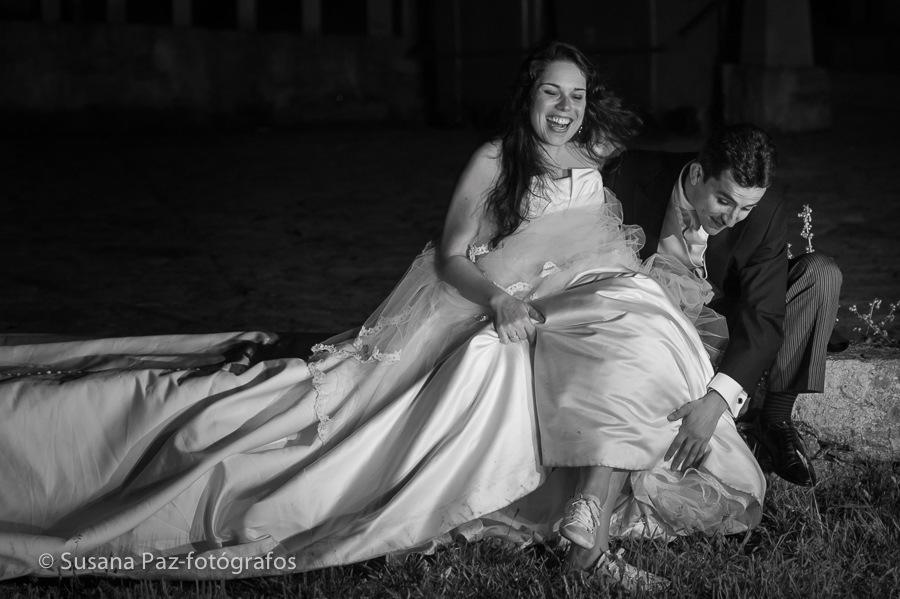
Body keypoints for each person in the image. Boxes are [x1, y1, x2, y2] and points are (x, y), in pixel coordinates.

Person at [0, 42, 762, 592]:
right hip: (514, 302)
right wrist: (497, 298)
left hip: (581, 301)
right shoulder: (497, 159)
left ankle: (591, 512)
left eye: (576, 95)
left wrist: (695, 228)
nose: (564, 110)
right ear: (527, 95)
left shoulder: (595, 150)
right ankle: (576, 527)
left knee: (647, 332)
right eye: (550, 94)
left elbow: (676, 185)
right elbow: (451, 255)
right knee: (524, 360)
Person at [603, 125, 842, 487]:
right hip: (645, 316)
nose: (732, 219)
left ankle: (775, 419)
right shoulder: (629, 173)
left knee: (820, 274)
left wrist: (716, 403)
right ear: (698, 174)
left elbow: (763, 312)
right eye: (725, 201)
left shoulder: (766, 211)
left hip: (724, 316)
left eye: (747, 207)